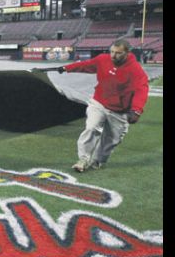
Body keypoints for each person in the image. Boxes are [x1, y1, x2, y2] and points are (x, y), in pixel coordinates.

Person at [57, 39, 149, 172]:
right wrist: (66, 68)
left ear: (127, 53)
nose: (113, 56)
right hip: (99, 103)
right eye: (111, 52)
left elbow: (141, 90)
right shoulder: (102, 59)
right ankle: (83, 159)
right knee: (91, 128)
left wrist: (136, 111)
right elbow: (86, 65)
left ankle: (97, 161)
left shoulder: (135, 70)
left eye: (118, 53)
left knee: (112, 140)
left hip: (120, 111)